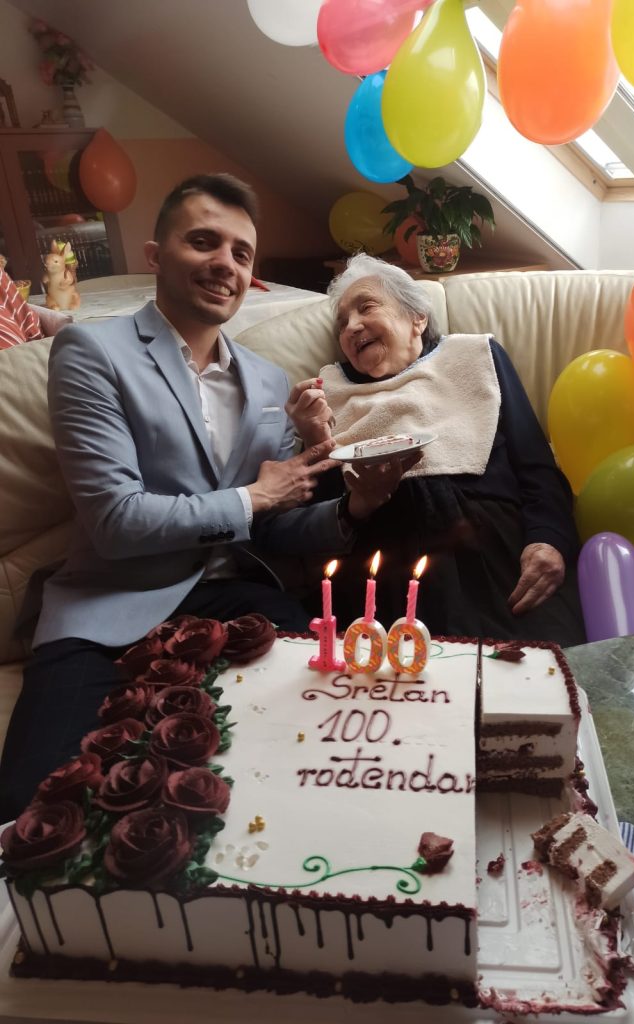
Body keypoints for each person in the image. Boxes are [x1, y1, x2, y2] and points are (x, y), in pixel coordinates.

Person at [0, 175, 390, 821]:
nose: (225, 263)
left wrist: (354, 507)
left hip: (237, 600)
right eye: (204, 242)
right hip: (109, 609)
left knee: (317, 757)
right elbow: (115, 520)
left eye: (241, 253)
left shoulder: (269, 381)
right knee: (33, 813)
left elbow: (275, 524)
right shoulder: (90, 351)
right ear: (155, 255)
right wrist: (254, 497)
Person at [296, 253, 585, 645]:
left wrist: (548, 539)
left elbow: (535, 464)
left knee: (543, 666)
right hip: (386, 560)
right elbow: (324, 516)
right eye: (342, 323)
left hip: (491, 547)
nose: (352, 327)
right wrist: (316, 441)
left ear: (418, 318)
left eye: (366, 307)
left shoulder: (475, 357)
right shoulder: (326, 392)